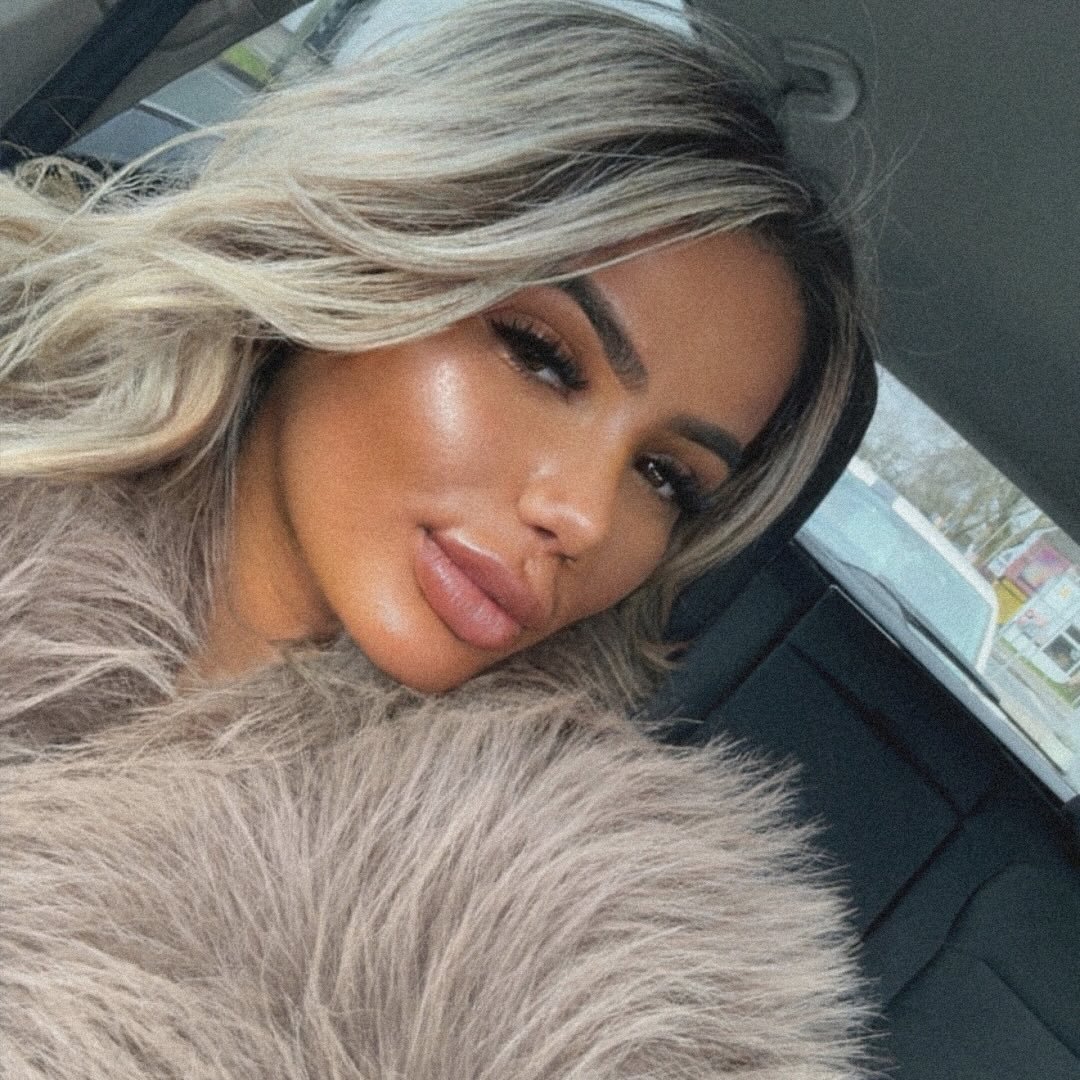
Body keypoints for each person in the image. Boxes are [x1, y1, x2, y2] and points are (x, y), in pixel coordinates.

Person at [0, 3, 873, 1076]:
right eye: (542, 356)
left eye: (666, 478)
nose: (587, 517)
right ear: (364, 245)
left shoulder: (571, 937)